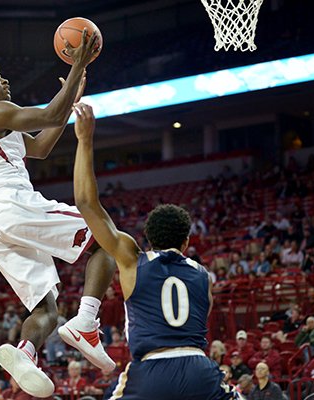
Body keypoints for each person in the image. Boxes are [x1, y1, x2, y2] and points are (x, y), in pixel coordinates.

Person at [0, 29, 115, 398]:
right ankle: (87, 323)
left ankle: (25, 353)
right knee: (108, 240)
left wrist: (70, 97)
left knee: (47, 309)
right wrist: (76, 67)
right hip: (12, 203)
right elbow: (48, 113)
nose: (3, 79)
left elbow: (40, 146)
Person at [71, 102, 234, 399]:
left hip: (151, 372)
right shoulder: (203, 275)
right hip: (199, 369)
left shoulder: (132, 260)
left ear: (147, 239)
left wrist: (85, 140)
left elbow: (85, 202)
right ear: (186, 242)